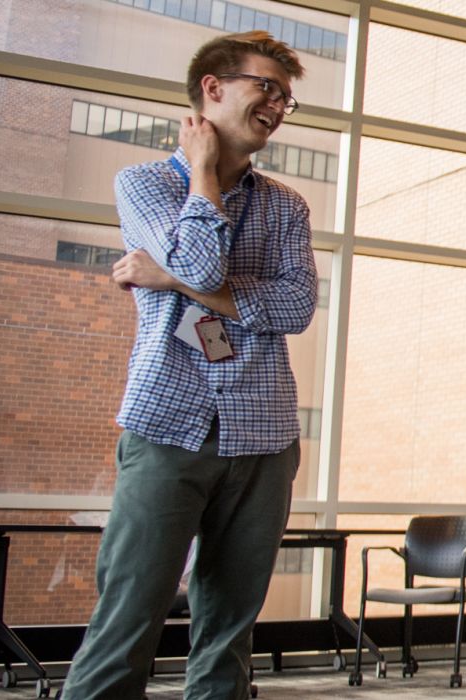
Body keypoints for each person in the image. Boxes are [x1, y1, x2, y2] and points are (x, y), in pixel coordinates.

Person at [64, 31, 317, 700]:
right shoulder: (143, 184)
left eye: (286, 99)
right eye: (267, 87)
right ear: (213, 88)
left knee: (227, 635)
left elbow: (295, 308)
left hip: (263, 434)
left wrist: (173, 280)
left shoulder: (287, 205)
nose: (278, 105)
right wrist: (204, 175)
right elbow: (206, 263)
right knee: (127, 622)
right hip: (166, 426)